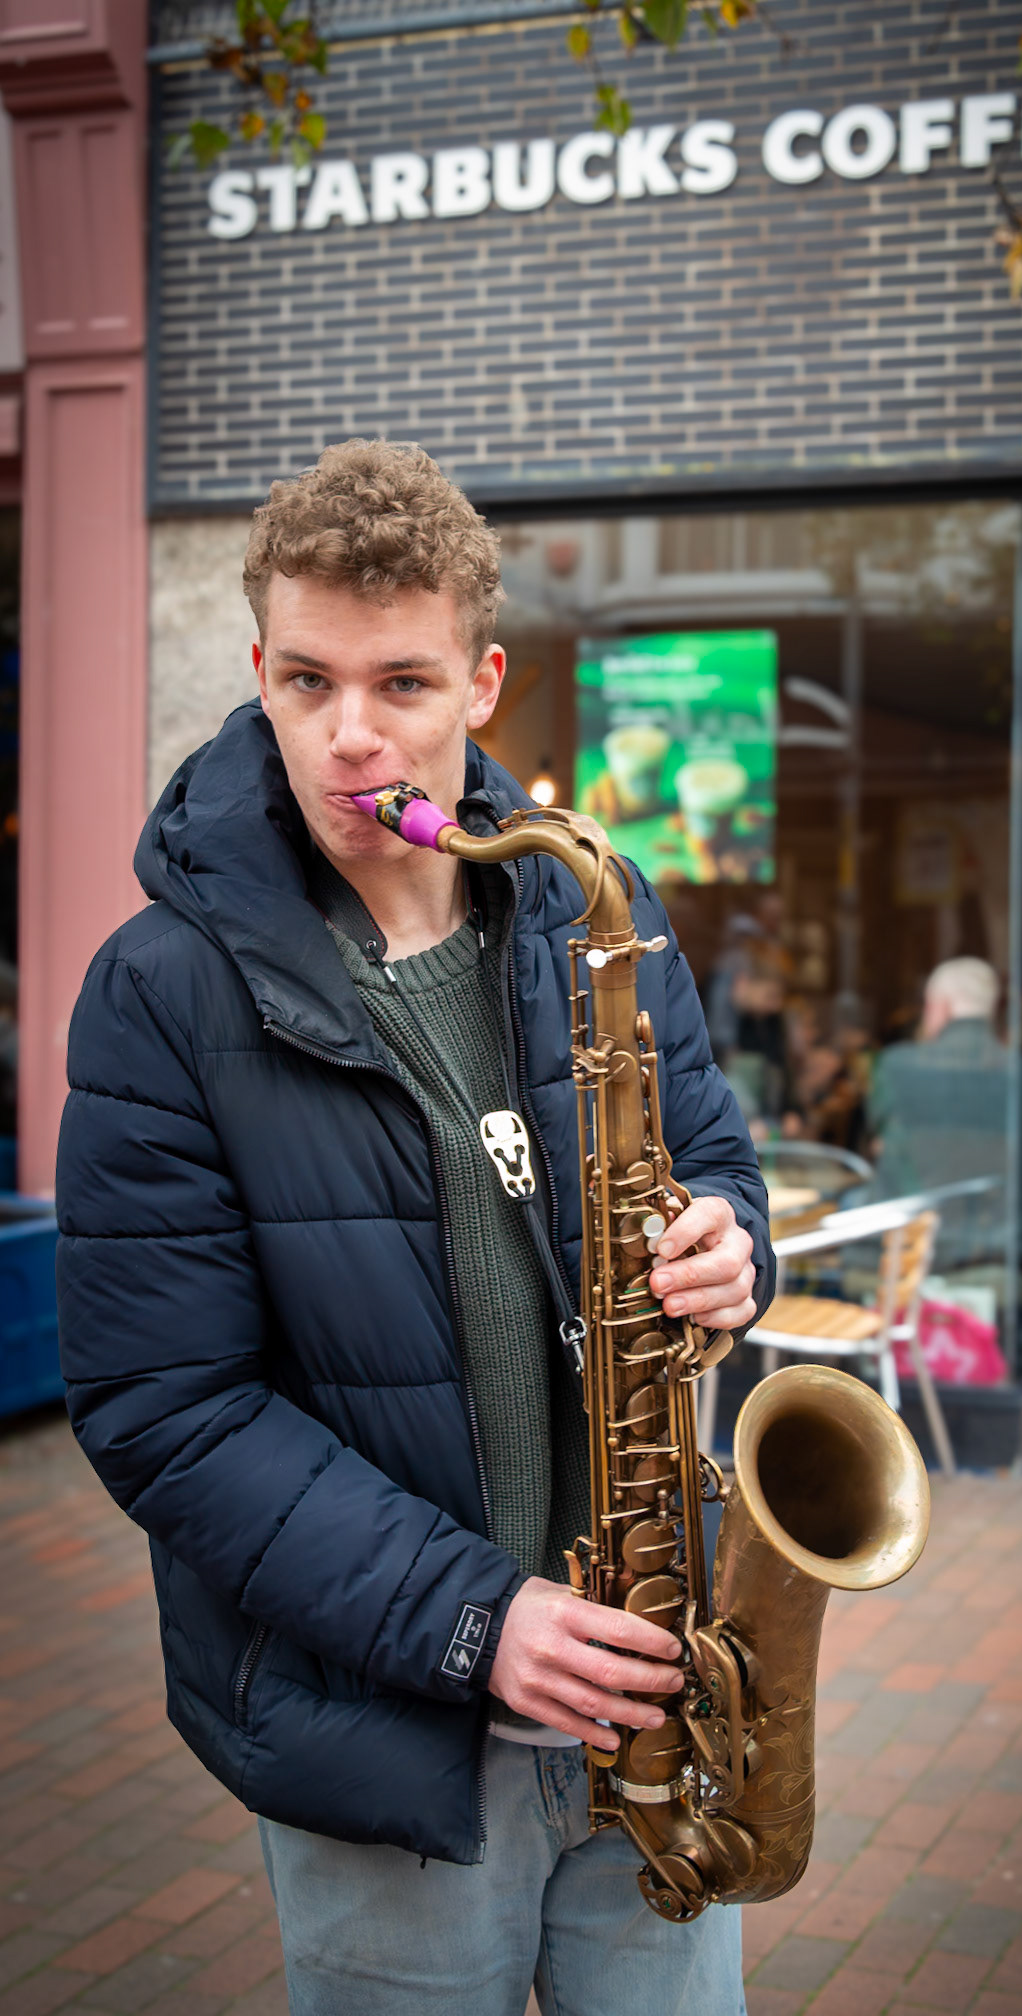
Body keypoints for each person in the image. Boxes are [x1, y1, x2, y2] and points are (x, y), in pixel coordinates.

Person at [55, 440, 775, 2016]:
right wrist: (473, 1621)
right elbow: (161, 1411)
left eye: (403, 683)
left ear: (484, 684)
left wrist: (730, 1239)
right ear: (256, 671)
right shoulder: (159, 991)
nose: (352, 736)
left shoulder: (600, 907)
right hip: (385, 1732)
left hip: (651, 1701)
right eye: (307, 683)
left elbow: (717, 1157)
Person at [866, 956, 1022, 1295]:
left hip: (920, 1247)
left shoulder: (896, 1067)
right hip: (1017, 1247)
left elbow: (882, 1145)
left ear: (940, 1007)